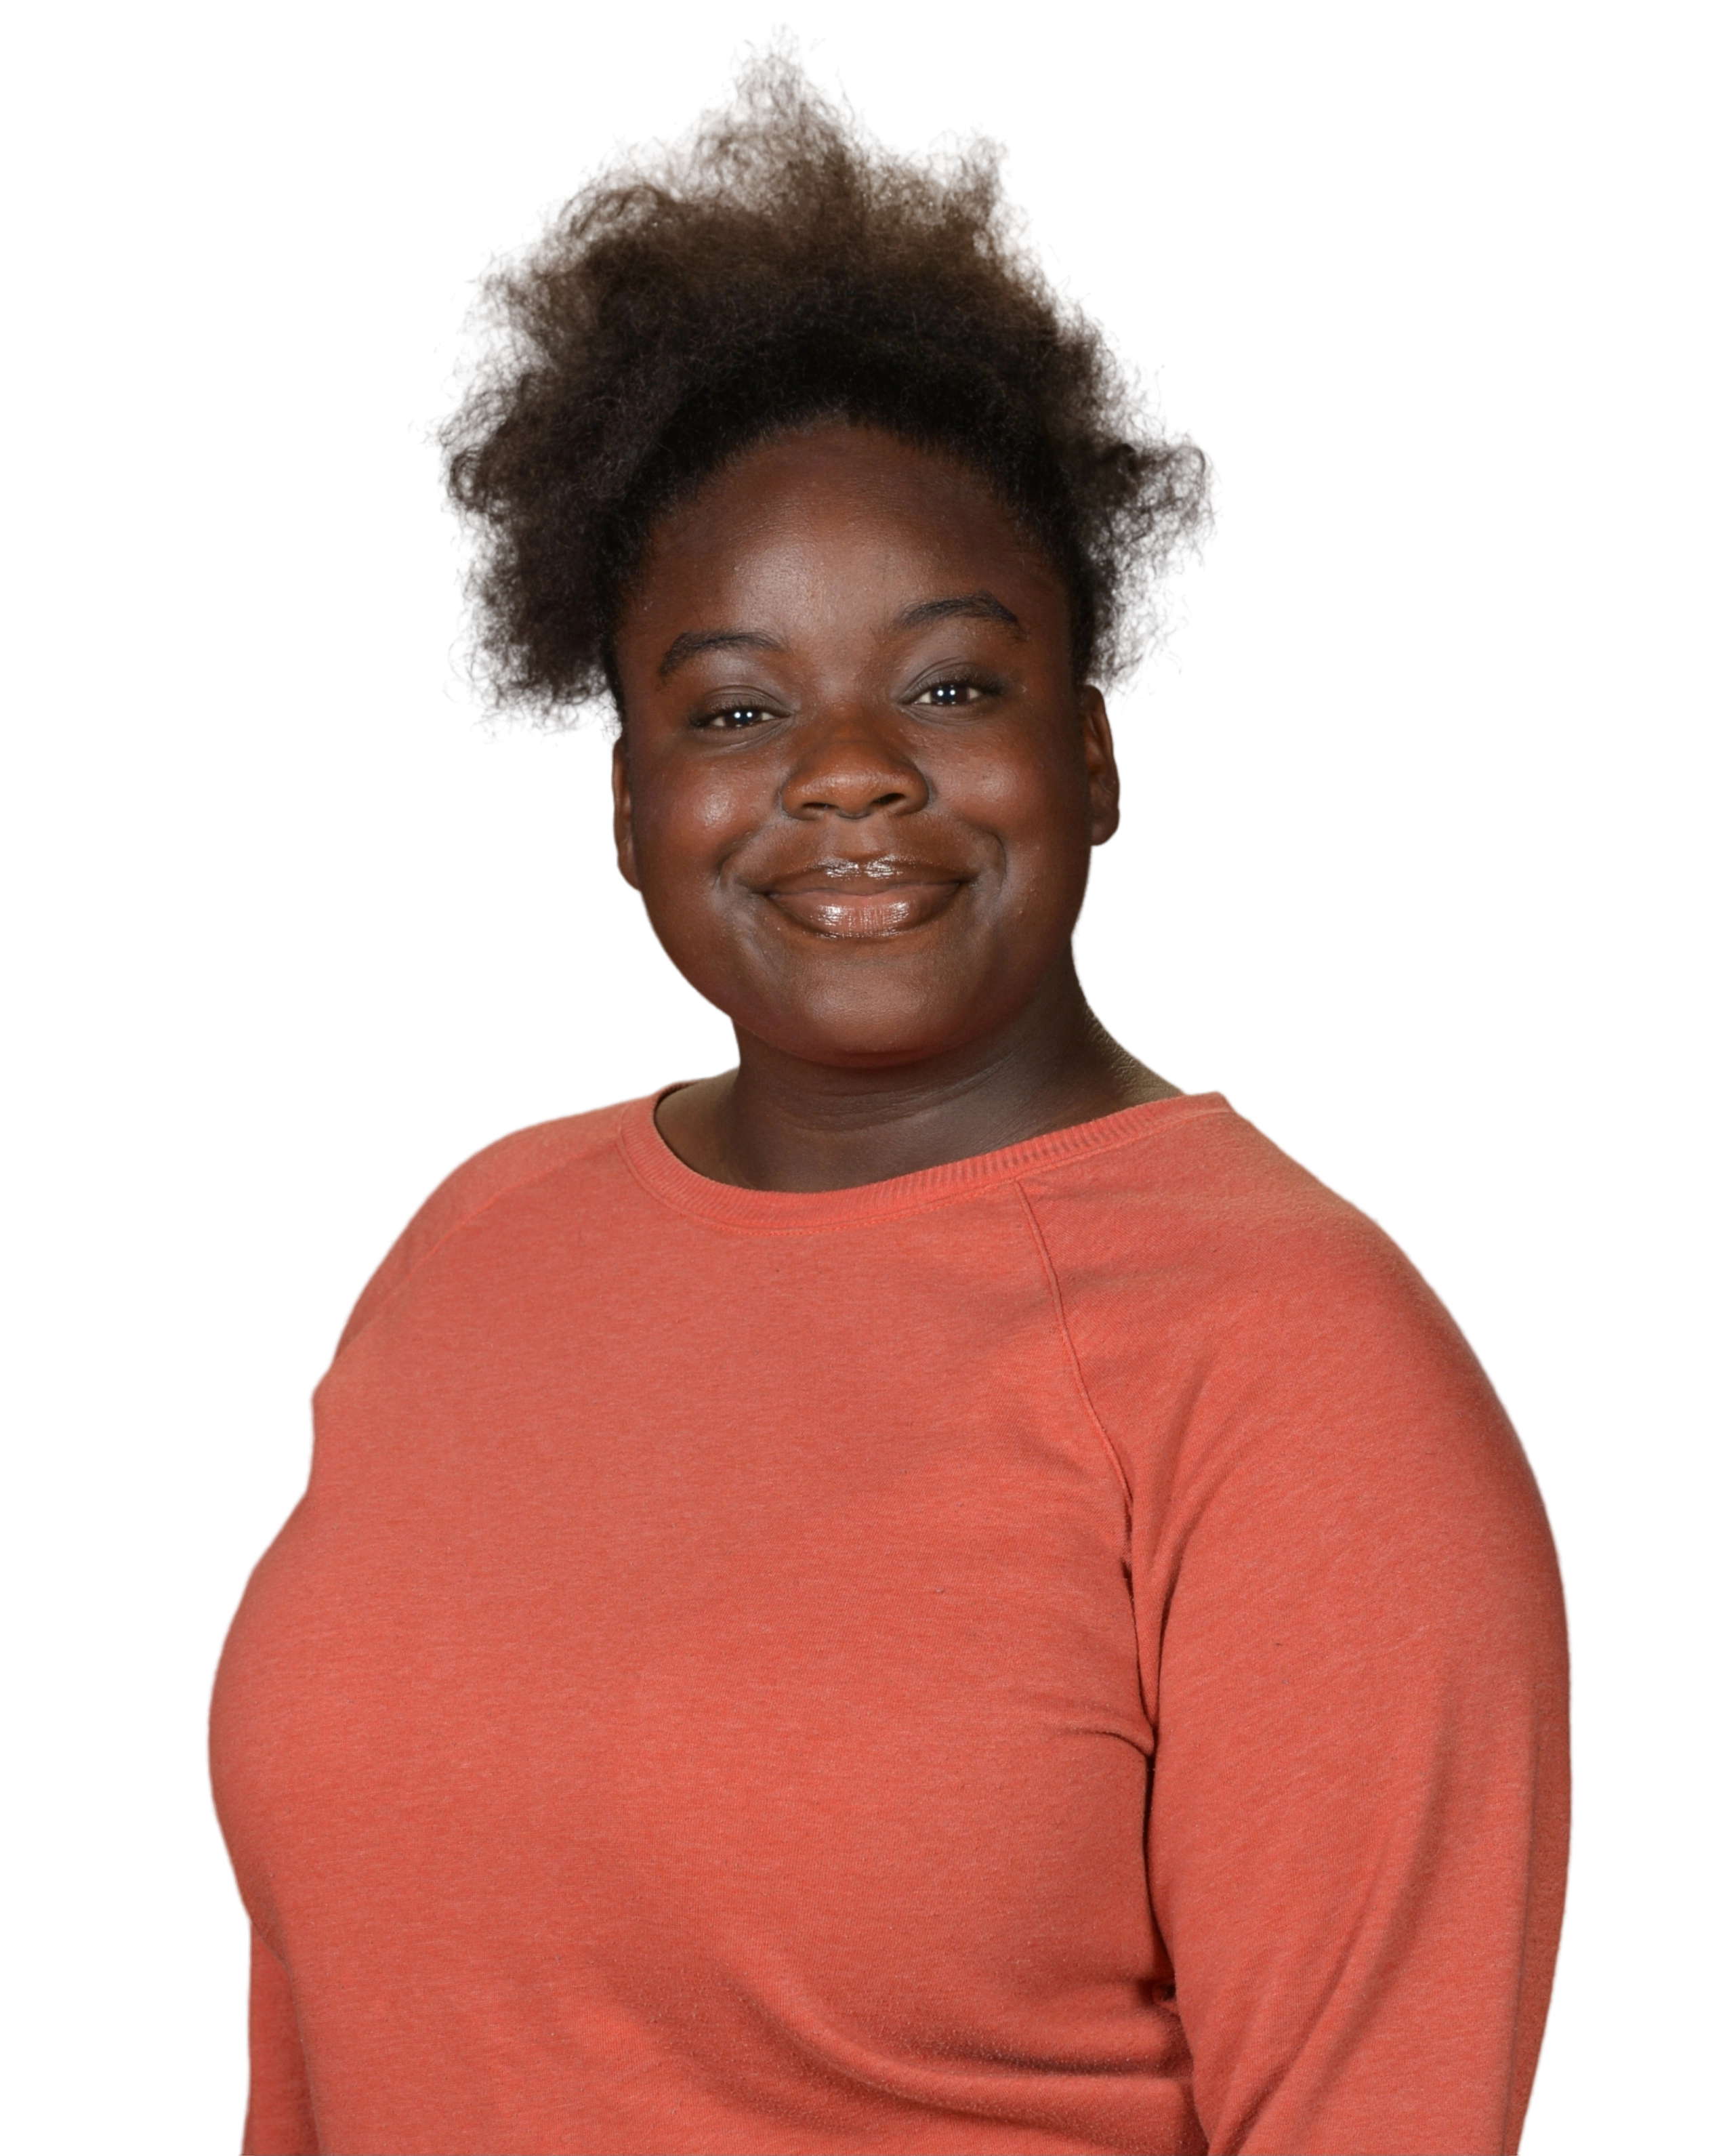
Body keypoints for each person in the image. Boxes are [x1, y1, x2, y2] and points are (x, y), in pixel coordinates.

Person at [202, 23, 1575, 2156]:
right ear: (629, 803)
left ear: (1094, 750)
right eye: (737, 707)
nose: (848, 772)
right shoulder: (470, 1247)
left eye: (947, 680)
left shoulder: (1293, 1373)